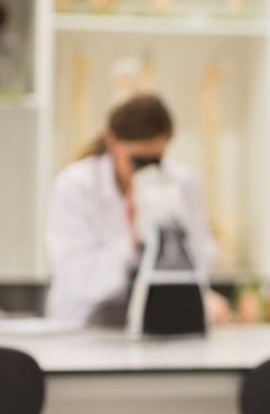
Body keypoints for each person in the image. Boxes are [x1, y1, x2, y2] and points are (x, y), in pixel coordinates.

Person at [45, 93, 218, 325]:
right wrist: (132, 239)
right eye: (137, 160)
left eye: (156, 160)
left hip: (158, 324)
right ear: (112, 140)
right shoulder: (74, 187)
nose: (147, 171)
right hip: (84, 326)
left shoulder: (181, 183)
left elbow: (201, 258)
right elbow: (81, 279)